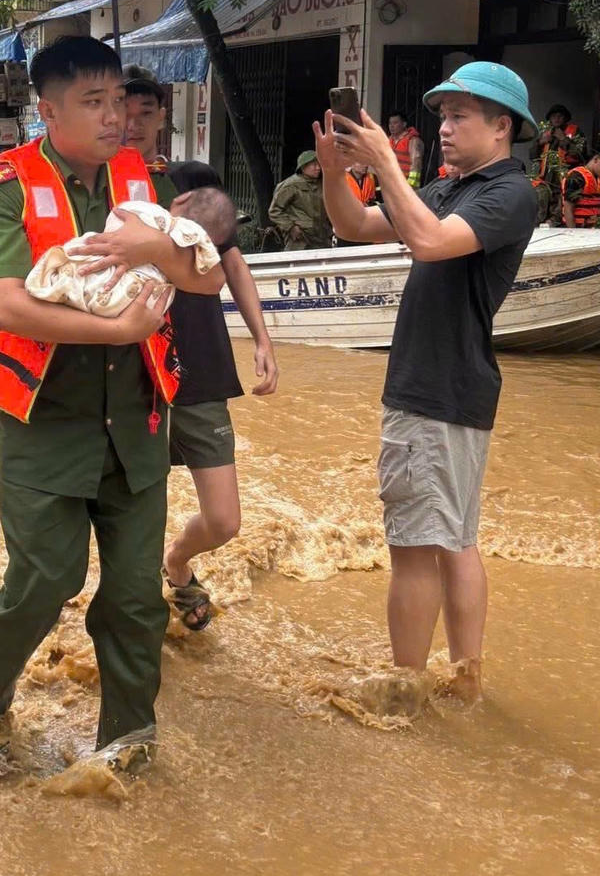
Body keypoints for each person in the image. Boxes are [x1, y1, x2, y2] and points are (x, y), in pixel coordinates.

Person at [0, 35, 224, 753]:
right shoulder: (1, 185)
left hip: (137, 421)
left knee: (136, 598)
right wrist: (113, 331)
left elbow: (206, 276)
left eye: (118, 101)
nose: (114, 117)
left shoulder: (146, 181)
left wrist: (152, 251)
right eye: (93, 102)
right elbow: (5, 305)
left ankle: (129, 741)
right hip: (47, 422)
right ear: (48, 110)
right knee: (44, 578)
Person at [313, 61, 539, 702]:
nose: (443, 127)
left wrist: (385, 162)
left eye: (459, 115)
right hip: (454, 388)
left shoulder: (508, 194)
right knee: (455, 543)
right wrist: (337, 171)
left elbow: (432, 243)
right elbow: (355, 227)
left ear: (501, 129)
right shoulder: (450, 188)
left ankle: (404, 694)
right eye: (442, 114)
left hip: (436, 390)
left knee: (417, 546)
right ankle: (465, 683)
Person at [121, 72, 279, 631]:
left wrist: (262, 339)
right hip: (130, 372)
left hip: (202, 364)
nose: (133, 123)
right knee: (137, 510)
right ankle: (137, 620)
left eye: (146, 112)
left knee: (224, 518)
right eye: (124, 110)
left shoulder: (191, 182)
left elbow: (231, 260)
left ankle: (177, 562)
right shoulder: (99, 188)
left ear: (164, 118)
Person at [25, 187, 231, 317]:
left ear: (181, 198)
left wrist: (156, 247)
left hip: (135, 354)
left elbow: (214, 280)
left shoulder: (159, 185)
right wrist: (118, 332)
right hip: (131, 315)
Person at [268, 150, 333, 251]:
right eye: (314, 165)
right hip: (300, 239)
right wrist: (290, 227)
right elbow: (275, 211)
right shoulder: (291, 185)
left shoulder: (322, 184)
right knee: (296, 265)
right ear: (303, 167)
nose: (318, 168)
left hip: (321, 237)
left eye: (319, 165)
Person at [531, 104, 586, 219]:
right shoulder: (545, 134)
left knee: (560, 214)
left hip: (566, 180)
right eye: (553, 116)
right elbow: (532, 156)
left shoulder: (575, 132)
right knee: (541, 210)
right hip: (546, 180)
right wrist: (540, 142)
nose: (556, 119)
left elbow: (581, 155)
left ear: (565, 118)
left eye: (560, 116)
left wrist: (563, 139)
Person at [561, 153, 600, 228]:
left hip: (596, 228)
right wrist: (573, 231)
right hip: (579, 227)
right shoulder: (576, 176)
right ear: (596, 160)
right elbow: (568, 206)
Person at [387, 111, 425, 187]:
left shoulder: (412, 140)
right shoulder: (389, 140)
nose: (391, 126)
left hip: (407, 185)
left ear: (404, 124)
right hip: (391, 184)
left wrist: (410, 185)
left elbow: (416, 163)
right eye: (390, 123)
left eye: (395, 123)